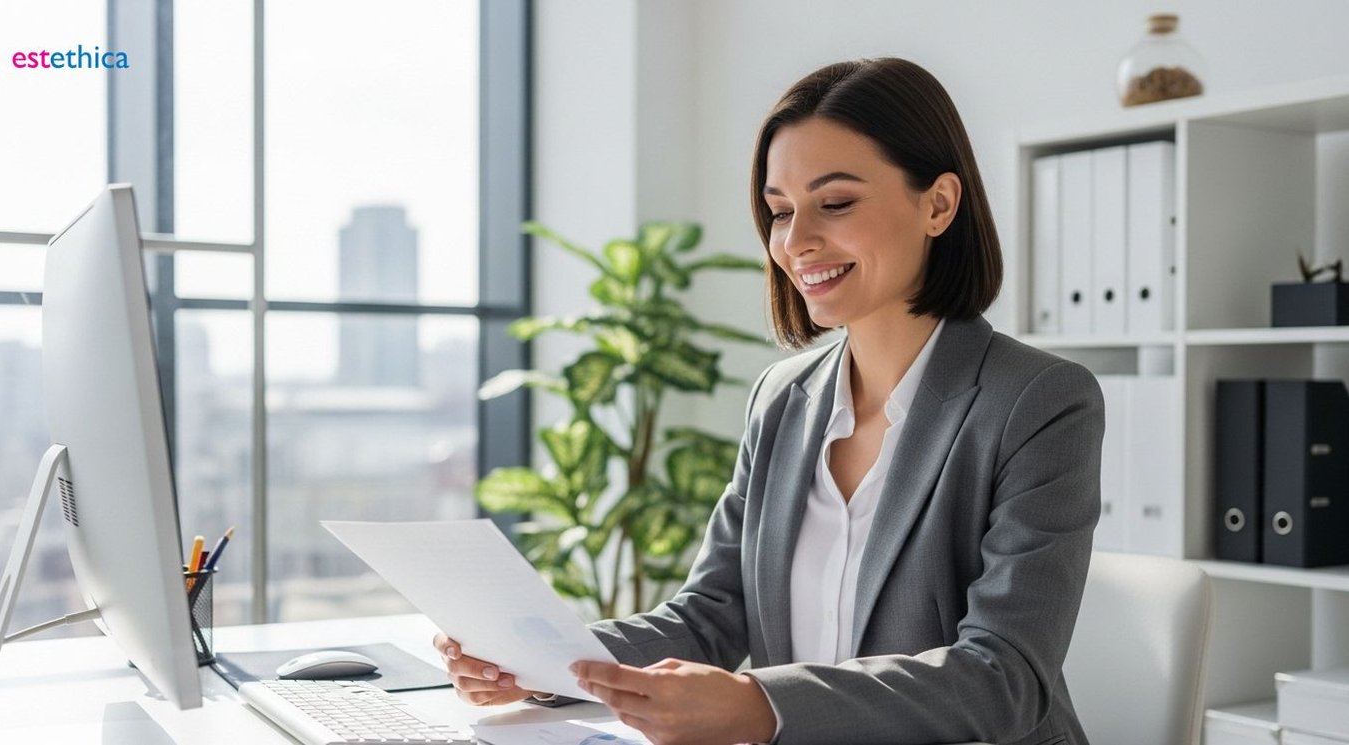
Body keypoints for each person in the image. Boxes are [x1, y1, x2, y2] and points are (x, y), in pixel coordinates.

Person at [436, 57, 1103, 745]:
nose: (796, 241)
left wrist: (760, 703)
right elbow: (712, 615)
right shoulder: (783, 398)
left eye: (835, 203)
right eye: (780, 212)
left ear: (937, 204)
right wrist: (541, 664)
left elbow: (1003, 677)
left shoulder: (1038, 401)